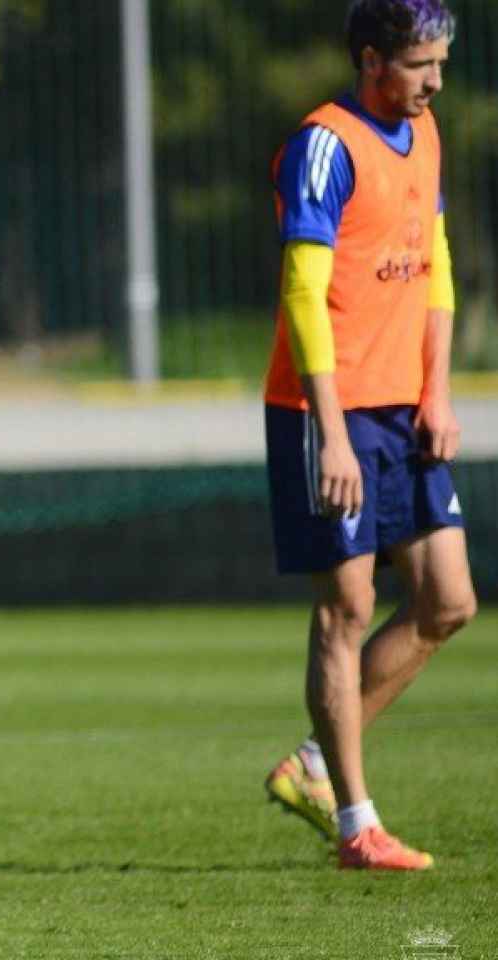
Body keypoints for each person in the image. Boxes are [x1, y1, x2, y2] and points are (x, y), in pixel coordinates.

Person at [260, 0, 474, 872]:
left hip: (406, 408)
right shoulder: (325, 144)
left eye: (441, 65)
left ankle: (312, 765)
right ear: (370, 59)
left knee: (448, 601)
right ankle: (356, 823)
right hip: (329, 412)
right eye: (420, 64)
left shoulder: (425, 134)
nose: (434, 81)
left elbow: (437, 267)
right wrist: (335, 431)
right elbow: (304, 292)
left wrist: (439, 392)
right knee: (345, 609)